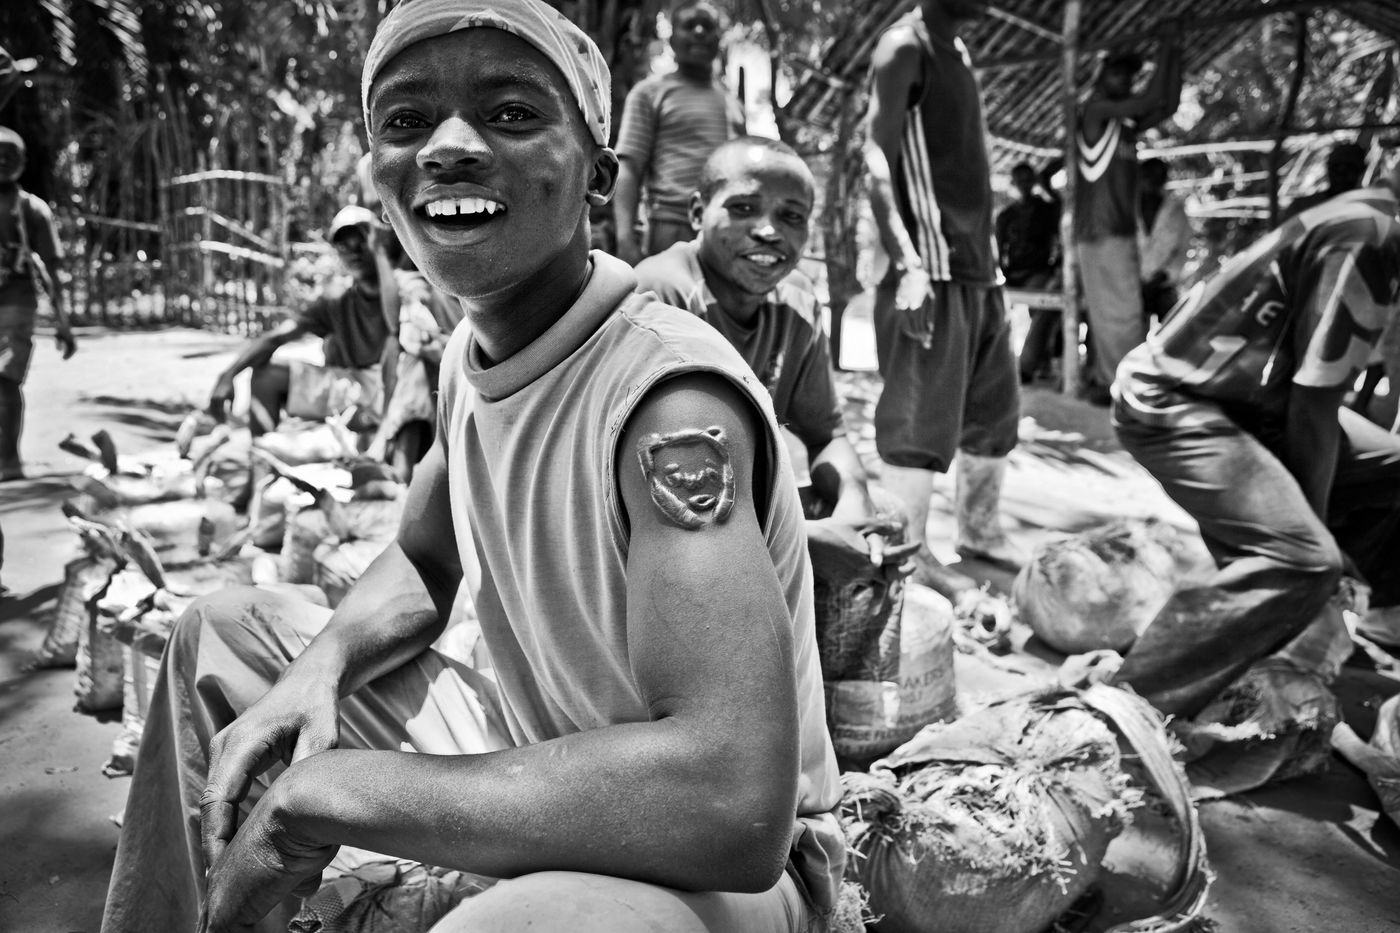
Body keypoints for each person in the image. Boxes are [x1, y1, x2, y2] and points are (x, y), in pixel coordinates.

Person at [101, 3, 843, 932]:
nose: (449, 147)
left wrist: (330, 792)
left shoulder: (667, 401)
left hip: (723, 861)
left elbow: (733, 801)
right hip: (539, 748)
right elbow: (425, 558)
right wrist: (314, 671)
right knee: (220, 636)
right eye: (407, 121)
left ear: (597, 176)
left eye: (512, 113)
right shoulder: (469, 355)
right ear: (379, 177)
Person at [1108, 168, 1400, 719]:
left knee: (1391, 469)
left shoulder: (1367, 212)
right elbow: (1313, 404)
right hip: (1175, 400)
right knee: (1302, 560)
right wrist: (1317, 542)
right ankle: (1129, 706)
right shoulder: (1369, 233)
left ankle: (1374, 618)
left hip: (1250, 404)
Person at [635, 136, 915, 591]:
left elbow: (827, 436)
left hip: (744, 511)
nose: (768, 230)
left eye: (791, 217)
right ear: (697, 213)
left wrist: (853, 507)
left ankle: (819, 640)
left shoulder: (797, 302)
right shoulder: (662, 296)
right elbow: (672, 492)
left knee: (882, 518)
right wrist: (805, 544)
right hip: (664, 525)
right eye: (744, 208)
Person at [862, 0, 1024, 592]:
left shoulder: (960, 53)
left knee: (994, 412)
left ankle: (979, 530)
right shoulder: (906, 46)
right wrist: (907, 264)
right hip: (930, 267)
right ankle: (908, 550)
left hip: (981, 270)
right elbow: (875, 156)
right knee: (918, 414)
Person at [207, 205, 390, 437]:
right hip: (351, 386)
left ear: (378, 242)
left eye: (361, 242)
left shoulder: (404, 288)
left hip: (395, 387)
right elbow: (277, 337)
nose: (354, 253)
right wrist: (229, 375)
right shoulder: (336, 300)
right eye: (344, 246)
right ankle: (261, 454)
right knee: (266, 376)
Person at [1074, 38, 1182, 404]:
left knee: (1124, 314)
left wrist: (1175, 49)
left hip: (1119, 232)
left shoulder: (1125, 123)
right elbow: (1151, 99)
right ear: (1100, 75)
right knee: (1120, 317)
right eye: (1117, 73)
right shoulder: (1095, 112)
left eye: (1130, 76)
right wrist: (1164, 46)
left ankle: (1114, 382)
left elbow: (1169, 104)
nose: (1126, 80)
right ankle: (1117, 385)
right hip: (1100, 231)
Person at [612, 0, 745, 265]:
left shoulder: (733, 103)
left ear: (718, 39)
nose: (699, 31)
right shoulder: (650, 92)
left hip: (728, 229)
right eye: (689, 25)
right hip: (672, 227)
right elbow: (629, 167)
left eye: (707, 26)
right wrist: (625, 239)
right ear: (672, 39)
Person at [0, 125, 77, 482]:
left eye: (9, 156)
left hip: (16, 303)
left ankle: (8, 460)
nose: (3, 162)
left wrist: (63, 322)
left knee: (5, 380)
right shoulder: (31, 208)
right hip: (14, 304)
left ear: (22, 162)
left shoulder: (33, 209)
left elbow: (53, 269)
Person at [996, 161, 1062, 384]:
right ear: (1013, 183)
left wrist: (1048, 187)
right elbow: (999, 251)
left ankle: (1032, 364)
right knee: (994, 307)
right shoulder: (1006, 216)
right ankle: (997, 362)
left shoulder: (1046, 210)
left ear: (1034, 181)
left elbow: (1061, 222)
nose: (1024, 184)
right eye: (1019, 180)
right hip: (1012, 275)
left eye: (1028, 179)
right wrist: (1003, 275)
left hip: (1039, 272)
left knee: (1044, 307)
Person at [1137, 157, 1192, 329]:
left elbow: (1182, 251)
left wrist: (1163, 276)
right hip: (1130, 285)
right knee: (1128, 330)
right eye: (1147, 176)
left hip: (1162, 285)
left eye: (1157, 177)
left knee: (1174, 326)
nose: (1151, 182)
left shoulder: (1176, 212)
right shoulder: (1127, 211)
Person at [1281, 141, 1368, 222]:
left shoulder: (1368, 207)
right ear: (1328, 168)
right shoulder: (1302, 207)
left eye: (1348, 168)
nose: (1341, 174)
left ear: (1361, 170)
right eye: (1336, 167)